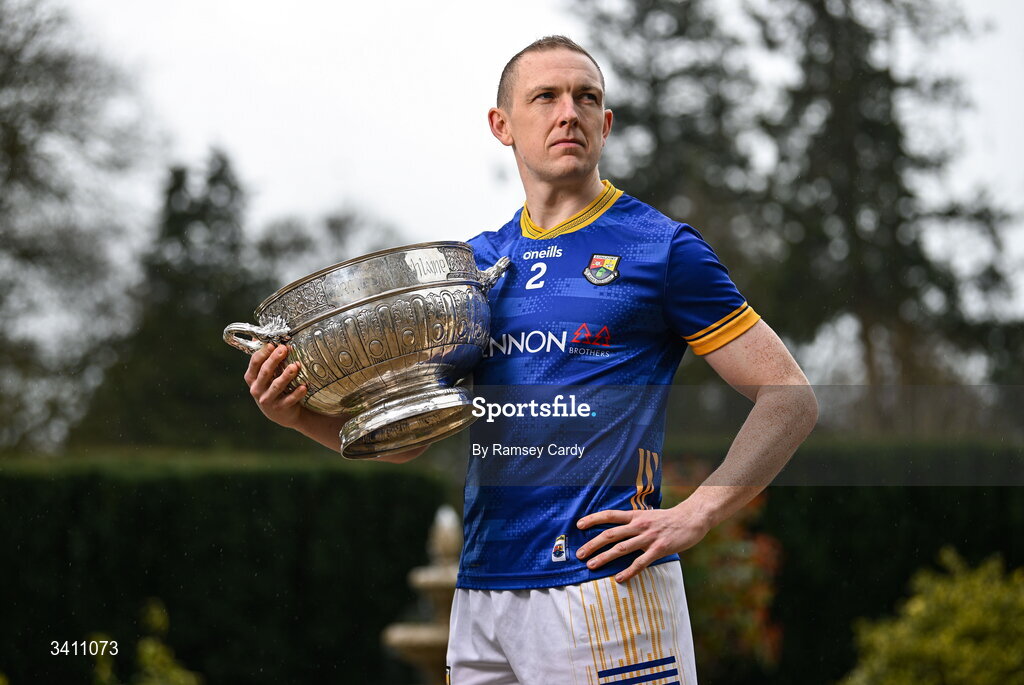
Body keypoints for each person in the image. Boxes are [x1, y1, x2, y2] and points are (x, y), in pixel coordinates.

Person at [244, 35, 817, 685]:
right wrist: (296, 416)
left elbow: (791, 396)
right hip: (483, 593)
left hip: (605, 585)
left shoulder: (662, 250)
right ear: (502, 125)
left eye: (586, 98)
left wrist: (699, 511)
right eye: (545, 96)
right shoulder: (472, 269)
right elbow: (408, 438)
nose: (567, 111)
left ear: (605, 124)